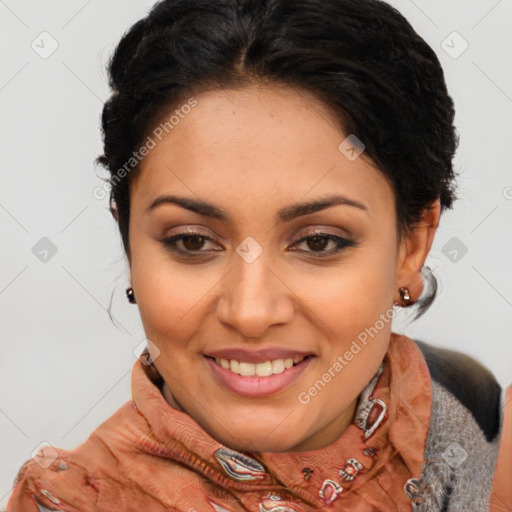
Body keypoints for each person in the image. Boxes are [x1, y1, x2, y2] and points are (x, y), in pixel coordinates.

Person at [6, 0, 511, 511]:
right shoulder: (70, 502)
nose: (249, 313)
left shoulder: (485, 435)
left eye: (318, 241)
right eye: (192, 241)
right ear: (130, 245)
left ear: (413, 244)